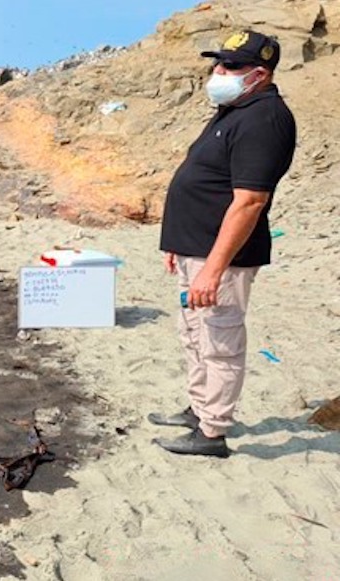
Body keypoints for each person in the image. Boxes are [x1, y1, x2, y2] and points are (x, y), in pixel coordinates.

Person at [150, 30, 297, 457]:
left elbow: (250, 201)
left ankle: (212, 432)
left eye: (231, 66)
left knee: (220, 341)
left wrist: (213, 268)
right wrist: (178, 242)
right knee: (195, 335)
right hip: (196, 250)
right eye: (218, 63)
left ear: (260, 74)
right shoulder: (234, 109)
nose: (219, 72)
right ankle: (199, 409)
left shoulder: (264, 119)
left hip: (223, 259)